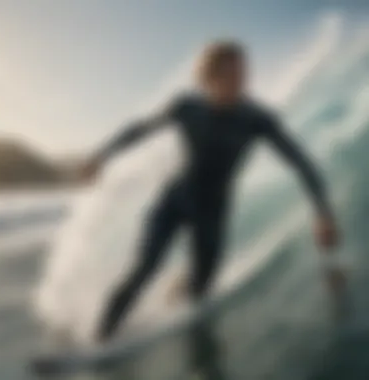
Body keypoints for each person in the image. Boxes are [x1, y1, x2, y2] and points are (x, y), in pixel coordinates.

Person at [81, 41, 340, 342]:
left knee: (200, 292)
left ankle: (181, 289)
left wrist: (323, 212)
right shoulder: (186, 107)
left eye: (243, 74)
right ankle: (99, 340)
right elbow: (140, 129)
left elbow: (300, 161)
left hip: (212, 214)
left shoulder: (257, 118)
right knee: (143, 268)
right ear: (209, 78)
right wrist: (102, 155)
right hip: (174, 202)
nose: (240, 82)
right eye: (231, 74)